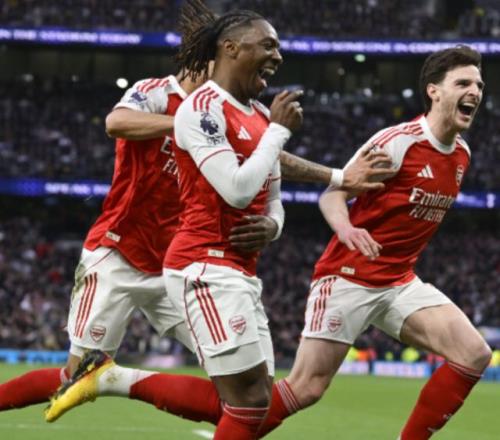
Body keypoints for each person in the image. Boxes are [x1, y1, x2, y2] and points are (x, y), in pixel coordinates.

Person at [0, 0, 392, 416]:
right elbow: (116, 122)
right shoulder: (158, 92)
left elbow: (272, 158)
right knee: (76, 375)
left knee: (240, 385)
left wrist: (336, 177)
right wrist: (192, 126)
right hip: (118, 252)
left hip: (178, 265)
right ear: (210, 58)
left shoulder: (231, 113)